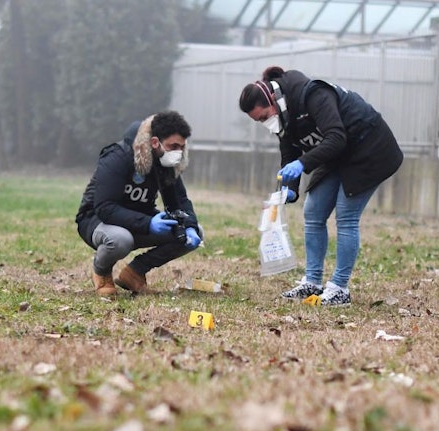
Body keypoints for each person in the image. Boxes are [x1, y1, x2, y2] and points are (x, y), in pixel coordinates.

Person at [238, 66, 404, 306]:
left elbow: (336, 137)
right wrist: (290, 187)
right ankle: (312, 282)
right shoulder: (283, 114)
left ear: (272, 99)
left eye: (264, 117)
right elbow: (289, 151)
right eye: (259, 121)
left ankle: (339, 288)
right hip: (336, 155)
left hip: (369, 149)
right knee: (313, 211)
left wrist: (303, 164)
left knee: (346, 216)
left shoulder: (313, 94)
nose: (266, 123)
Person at [75, 110, 203, 296]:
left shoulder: (166, 163)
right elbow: (104, 207)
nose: (178, 152)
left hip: (138, 219)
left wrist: (190, 226)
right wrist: (148, 223)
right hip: (97, 220)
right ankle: (102, 273)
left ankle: (135, 272)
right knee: (120, 239)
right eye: (173, 146)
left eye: (181, 147)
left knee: (192, 233)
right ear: (154, 142)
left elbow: (179, 201)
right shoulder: (118, 157)